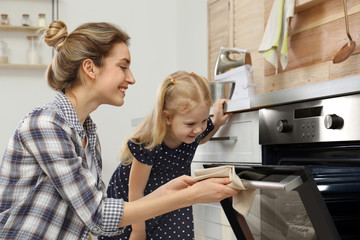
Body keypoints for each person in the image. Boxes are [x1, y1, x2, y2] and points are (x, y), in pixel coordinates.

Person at [0, 20, 239, 240]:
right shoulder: (46, 124)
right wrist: (191, 196)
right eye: (123, 67)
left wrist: (166, 192)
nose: (132, 78)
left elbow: (98, 213)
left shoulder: (87, 133)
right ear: (90, 69)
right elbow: (99, 216)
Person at [99, 71, 232, 240]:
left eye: (204, 120)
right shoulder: (149, 143)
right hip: (137, 201)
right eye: (191, 123)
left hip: (171, 196)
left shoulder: (190, 132)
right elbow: (136, 191)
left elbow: (202, 138)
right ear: (167, 117)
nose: (198, 129)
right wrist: (138, 231)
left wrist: (218, 122)